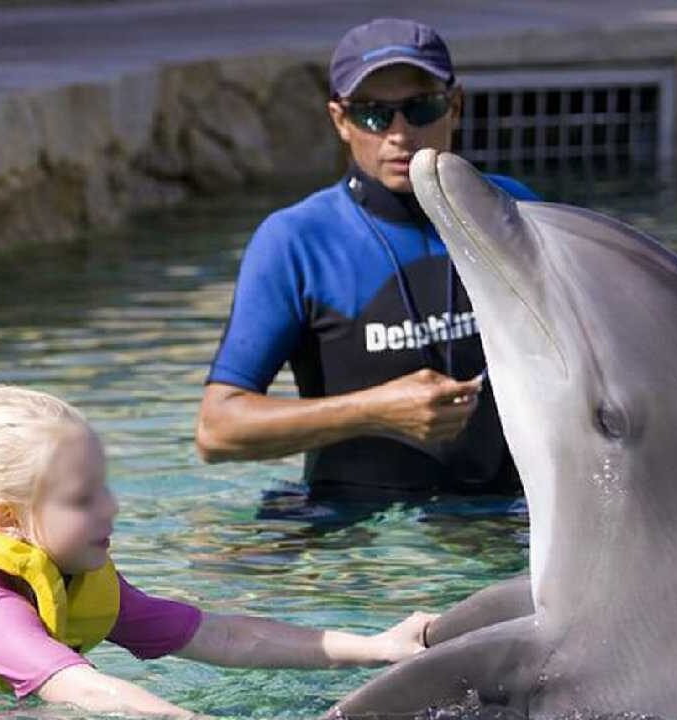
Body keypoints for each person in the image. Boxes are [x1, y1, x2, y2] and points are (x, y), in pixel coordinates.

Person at [0, 385, 436, 716]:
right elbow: (80, 687)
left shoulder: (73, 577)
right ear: (9, 521)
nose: (112, 508)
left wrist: (379, 646)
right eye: (85, 497)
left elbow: (223, 637)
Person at [195, 18, 540, 505]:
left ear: (455, 106)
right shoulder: (298, 240)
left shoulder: (510, 211)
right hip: (357, 533)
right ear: (340, 120)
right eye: (374, 115)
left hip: (504, 513)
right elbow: (217, 429)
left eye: (421, 109)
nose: (400, 134)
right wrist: (375, 411)